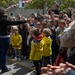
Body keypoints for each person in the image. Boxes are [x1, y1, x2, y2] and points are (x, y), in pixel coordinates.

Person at [0, 7, 26, 73]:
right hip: (4, 38)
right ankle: (3, 68)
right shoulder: (3, 20)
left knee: (1, 53)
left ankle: (1, 66)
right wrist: (24, 20)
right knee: (3, 54)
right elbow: (14, 22)